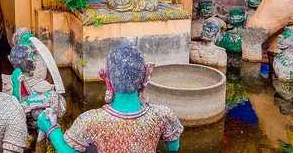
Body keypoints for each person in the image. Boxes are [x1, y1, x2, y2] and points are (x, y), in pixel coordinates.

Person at [37, 45, 183, 153]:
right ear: (145, 77)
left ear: (107, 79)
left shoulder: (91, 121)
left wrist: (51, 128)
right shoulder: (162, 114)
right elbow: (173, 147)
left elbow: (67, 151)